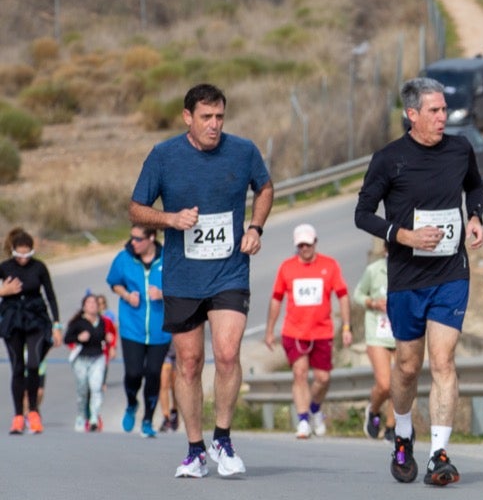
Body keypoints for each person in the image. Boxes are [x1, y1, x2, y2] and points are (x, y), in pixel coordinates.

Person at [130, 83, 273, 478]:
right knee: (190, 363)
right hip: (182, 276)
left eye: (220, 117)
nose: (214, 125)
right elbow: (136, 209)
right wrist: (170, 219)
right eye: (206, 118)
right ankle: (195, 449)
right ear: (187, 117)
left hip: (229, 270)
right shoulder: (163, 156)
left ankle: (223, 439)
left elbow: (264, 188)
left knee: (227, 354)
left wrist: (256, 227)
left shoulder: (243, 151)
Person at [355, 76, 483, 487]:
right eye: (434, 111)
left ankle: (439, 454)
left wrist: (476, 217)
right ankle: (404, 432)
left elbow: (475, 186)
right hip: (407, 278)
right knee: (408, 367)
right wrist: (403, 235)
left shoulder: (460, 149)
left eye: (444, 109)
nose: (443, 117)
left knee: (443, 361)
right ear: (412, 115)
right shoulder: (389, 159)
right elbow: (363, 213)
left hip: (451, 272)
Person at [265, 224, 353, 440]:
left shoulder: (329, 266)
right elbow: (276, 299)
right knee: (299, 373)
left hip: (322, 331)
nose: (304, 248)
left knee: (322, 378)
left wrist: (346, 327)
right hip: (294, 331)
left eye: (308, 243)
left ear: (315, 243)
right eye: (300, 245)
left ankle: (314, 408)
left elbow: (342, 295)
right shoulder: (287, 268)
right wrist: (269, 330)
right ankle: (303, 420)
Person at [107, 223, 169, 438]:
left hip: (160, 329)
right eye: (131, 238)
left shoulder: (167, 258)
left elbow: (182, 286)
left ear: (151, 238)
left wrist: (162, 294)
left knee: (153, 374)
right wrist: (126, 295)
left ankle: (148, 420)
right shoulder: (124, 258)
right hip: (132, 327)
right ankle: (132, 404)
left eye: (138, 239)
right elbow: (114, 282)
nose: (133, 243)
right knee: (133, 373)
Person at [1, 228, 60, 434]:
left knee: (34, 364)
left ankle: (33, 411)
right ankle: (18, 416)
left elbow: (51, 296)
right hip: (12, 320)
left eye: (27, 254)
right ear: (13, 251)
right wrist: (3, 291)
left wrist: (57, 325)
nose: (23, 259)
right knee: (18, 368)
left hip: (36, 319)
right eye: (19, 254)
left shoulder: (40, 267)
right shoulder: (5, 267)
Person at [353, 239, 396, 441]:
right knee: (385, 384)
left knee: (400, 383)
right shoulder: (374, 270)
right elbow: (358, 295)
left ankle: (391, 427)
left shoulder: (410, 271)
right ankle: (373, 410)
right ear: (386, 249)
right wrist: (373, 302)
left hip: (401, 332)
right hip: (378, 333)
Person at [65, 293, 109, 433]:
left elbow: (105, 336)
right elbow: (67, 339)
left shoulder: (102, 321)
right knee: (82, 388)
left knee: (96, 387)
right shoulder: (78, 322)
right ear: (84, 306)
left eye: (95, 303)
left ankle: (94, 418)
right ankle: (81, 416)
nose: (92, 305)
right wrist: (79, 337)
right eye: (89, 303)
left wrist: (108, 339)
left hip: (98, 358)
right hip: (81, 359)